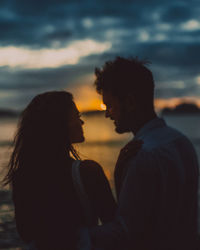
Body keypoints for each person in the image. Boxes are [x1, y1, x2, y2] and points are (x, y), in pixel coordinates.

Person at [83, 57, 199, 250]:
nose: (107, 114)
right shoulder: (181, 142)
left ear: (130, 102)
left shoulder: (142, 155)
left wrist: (74, 236)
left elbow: (125, 232)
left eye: (109, 105)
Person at [3, 91, 117, 250]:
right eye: (77, 116)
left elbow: (26, 233)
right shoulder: (87, 172)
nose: (82, 122)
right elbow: (115, 229)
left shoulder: (22, 176)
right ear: (60, 124)